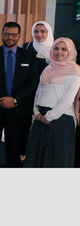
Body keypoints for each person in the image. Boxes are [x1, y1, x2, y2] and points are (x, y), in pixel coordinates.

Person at [0, 22, 39, 167]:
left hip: (18, 110)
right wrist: (2, 98)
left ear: (19, 36)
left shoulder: (29, 57)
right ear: (2, 34)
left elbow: (32, 82)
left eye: (13, 34)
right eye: (6, 34)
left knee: (14, 150)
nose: (9, 37)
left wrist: (15, 99)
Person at [23, 38, 80, 168]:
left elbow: (68, 99)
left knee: (56, 160)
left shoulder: (75, 71)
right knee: (35, 157)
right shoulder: (48, 68)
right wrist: (36, 112)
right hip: (41, 118)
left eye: (63, 49)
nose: (59, 52)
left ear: (70, 51)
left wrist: (49, 117)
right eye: (56, 48)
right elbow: (39, 93)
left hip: (61, 119)